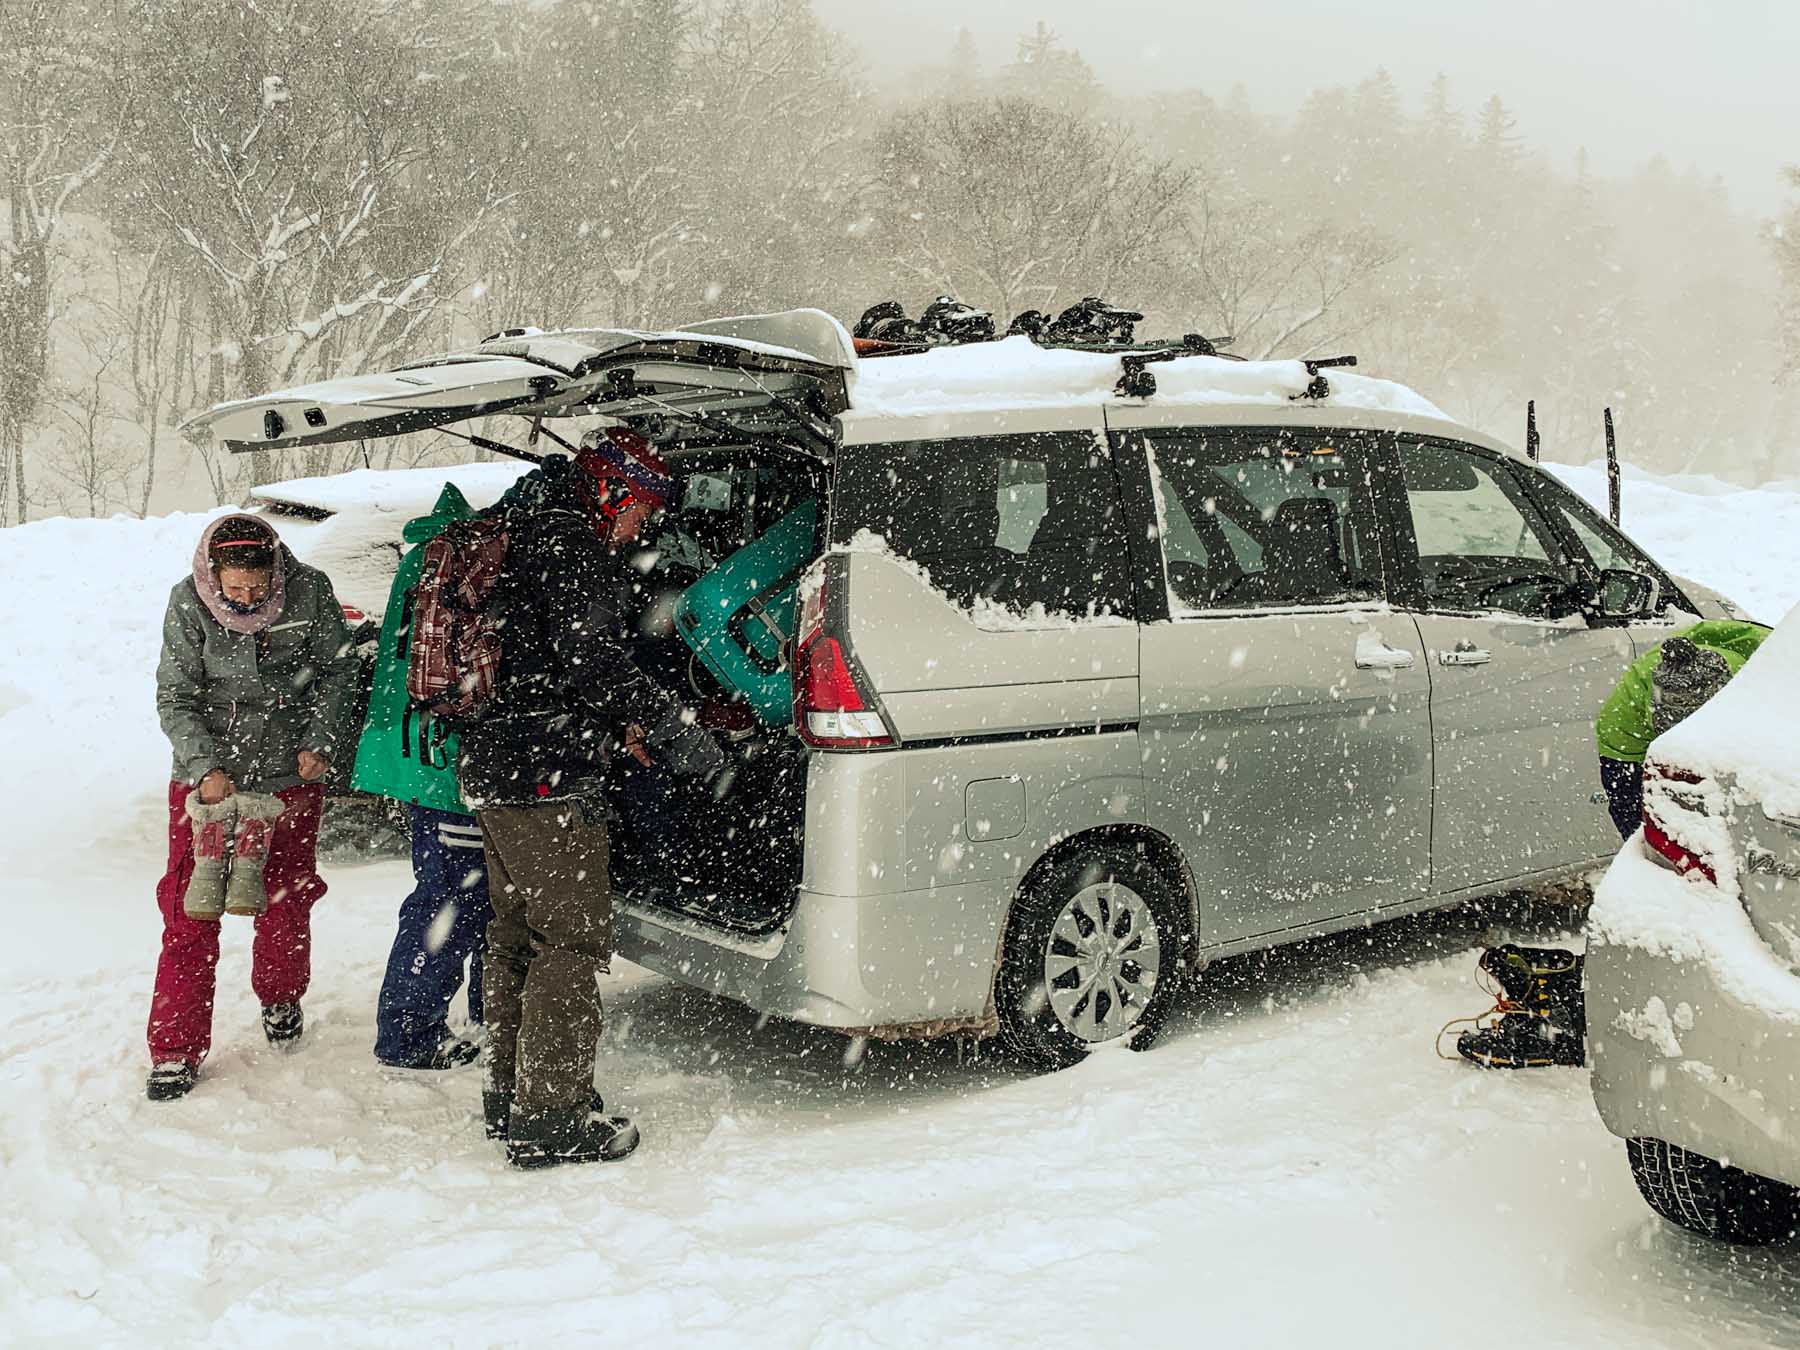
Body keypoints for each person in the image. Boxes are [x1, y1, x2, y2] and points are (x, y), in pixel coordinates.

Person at [458, 429, 727, 1169]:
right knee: (569, 943)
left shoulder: (521, 524)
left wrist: (611, 728)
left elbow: (544, 666)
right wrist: (671, 725)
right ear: (611, 487)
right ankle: (551, 1117)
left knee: (515, 935)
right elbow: (594, 664)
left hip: (493, 766)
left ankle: (512, 1093)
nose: (641, 527)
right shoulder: (570, 545)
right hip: (546, 778)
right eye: (641, 508)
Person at [1455, 618, 1771, 1069]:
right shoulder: (1637, 716)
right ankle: (1624, 992)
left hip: (1730, 738)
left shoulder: (1763, 687)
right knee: (1666, 866)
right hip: (1628, 751)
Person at [146, 514, 357, 1101]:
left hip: (289, 772)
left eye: (257, 588)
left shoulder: (309, 589)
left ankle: (281, 995)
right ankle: (175, 1048)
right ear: (214, 574)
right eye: (235, 589)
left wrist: (322, 738)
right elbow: (175, 695)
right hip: (210, 783)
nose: (245, 599)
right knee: (193, 907)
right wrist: (204, 768)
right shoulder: (187, 601)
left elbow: (339, 668)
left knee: (286, 894)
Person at [351, 483, 492, 1071]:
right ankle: (408, 1034)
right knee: (454, 896)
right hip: (445, 761)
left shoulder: (422, 561)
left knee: (465, 890)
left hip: (414, 756)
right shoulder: (460, 569)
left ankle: (482, 1015)